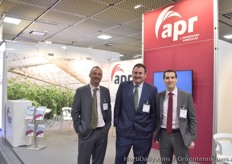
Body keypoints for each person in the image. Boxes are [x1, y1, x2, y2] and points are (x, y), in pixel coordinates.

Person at [114, 63, 158, 164]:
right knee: (120, 160)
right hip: (124, 132)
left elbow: (154, 112)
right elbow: (117, 107)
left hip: (143, 133)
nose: (137, 75)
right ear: (132, 73)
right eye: (135, 73)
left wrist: (150, 128)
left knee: (140, 161)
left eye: (140, 73)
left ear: (145, 75)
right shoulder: (123, 86)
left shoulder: (152, 90)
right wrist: (117, 124)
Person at [154, 70, 197, 164]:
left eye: (172, 77)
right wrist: (156, 134)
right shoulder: (158, 97)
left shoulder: (186, 96)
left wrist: (192, 139)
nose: (170, 80)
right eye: (167, 78)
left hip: (180, 136)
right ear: (163, 80)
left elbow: (192, 119)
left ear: (176, 79)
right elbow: (157, 117)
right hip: (164, 135)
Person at [71, 66, 111, 164]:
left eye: (99, 74)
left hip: (102, 132)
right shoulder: (81, 91)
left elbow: (108, 110)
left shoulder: (105, 91)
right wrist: (79, 128)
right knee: (83, 160)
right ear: (90, 75)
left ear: (101, 77)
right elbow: (74, 111)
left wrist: (107, 127)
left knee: (98, 161)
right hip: (86, 132)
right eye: (94, 73)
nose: (97, 76)